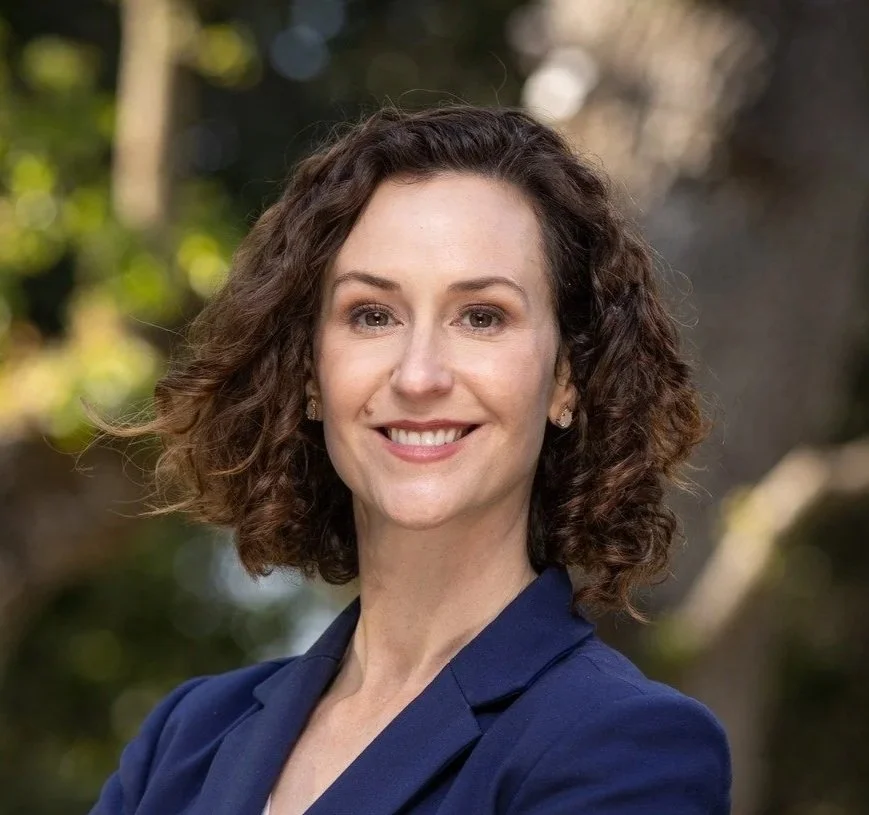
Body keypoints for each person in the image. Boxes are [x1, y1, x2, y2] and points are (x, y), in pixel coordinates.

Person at [89, 104, 730, 815]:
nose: (418, 375)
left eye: (481, 316)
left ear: (564, 379)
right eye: (372, 315)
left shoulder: (625, 747)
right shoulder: (184, 741)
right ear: (310, 373)